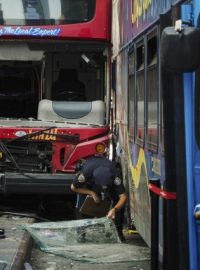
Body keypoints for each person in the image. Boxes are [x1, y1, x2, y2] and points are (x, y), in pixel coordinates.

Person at [71, 156, 127, 242]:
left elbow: (123, 197)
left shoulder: (115, 174)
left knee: (118, 203)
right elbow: (73, 187)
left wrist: (114, 209)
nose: (103, 188)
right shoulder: (86, 173)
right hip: (91, 185)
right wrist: (91, 193)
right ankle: (81, 232)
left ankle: (118, 232)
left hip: (110, 185)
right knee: (82, 204)